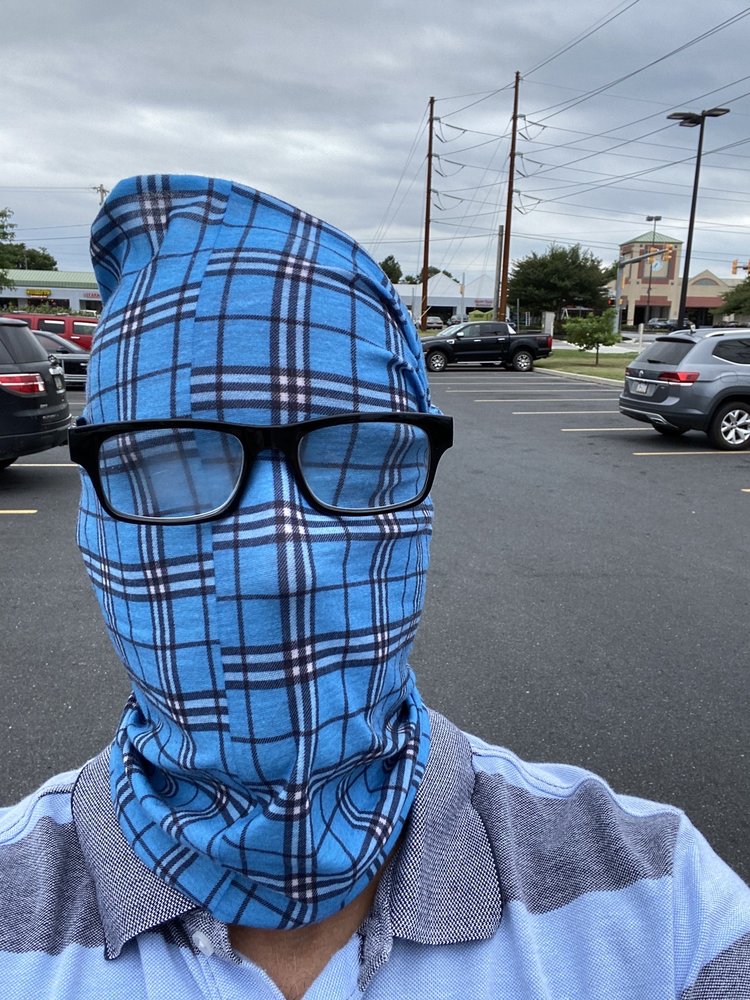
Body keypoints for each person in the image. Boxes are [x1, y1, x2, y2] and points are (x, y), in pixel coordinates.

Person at [1, 174, 748, 1000]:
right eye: (175, 466)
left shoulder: (659, 898)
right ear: (94, 514)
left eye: (356, 462)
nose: (281, 567)